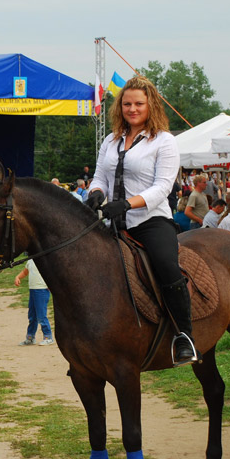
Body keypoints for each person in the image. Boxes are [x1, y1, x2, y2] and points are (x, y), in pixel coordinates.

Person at [86, 75, 198, 366]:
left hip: (149, 220)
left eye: (138, 103)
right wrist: (96, 193)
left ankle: (184, 335)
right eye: (127, 103)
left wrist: (126, 203)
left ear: (151, 105)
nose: (132, 109)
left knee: (165, 263)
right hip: (112, 220)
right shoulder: (110, 141)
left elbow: (163, 187)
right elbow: (99, 177)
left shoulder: (164, 142)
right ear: (119, 107)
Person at [14, 259, 54, 346]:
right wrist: (18, 277)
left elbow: (52, 273)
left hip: (42, 290)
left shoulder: (44, 260)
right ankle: (30, 338)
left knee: (41, 316)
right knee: (32, 316)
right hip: (32, 290)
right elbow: (25, 272)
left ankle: (48, 337)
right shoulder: (30, 261)